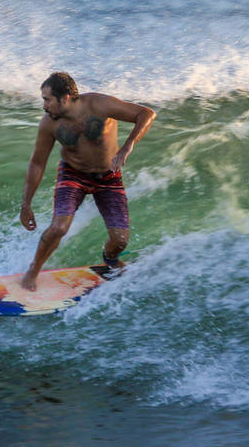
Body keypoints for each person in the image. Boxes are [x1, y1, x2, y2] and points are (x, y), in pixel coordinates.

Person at [19, 72, 156, 291]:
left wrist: (128, 145)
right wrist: (26, 203)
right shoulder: (49, 124)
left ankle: (110, 259)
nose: (44, 106)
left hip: (108, 177)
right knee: (59, 227)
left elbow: (146, 113)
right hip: (73, 174)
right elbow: (37, 163)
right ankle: (33, 270)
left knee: (120, 240)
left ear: (65, 98)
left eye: (47, 100)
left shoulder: (99, 104)